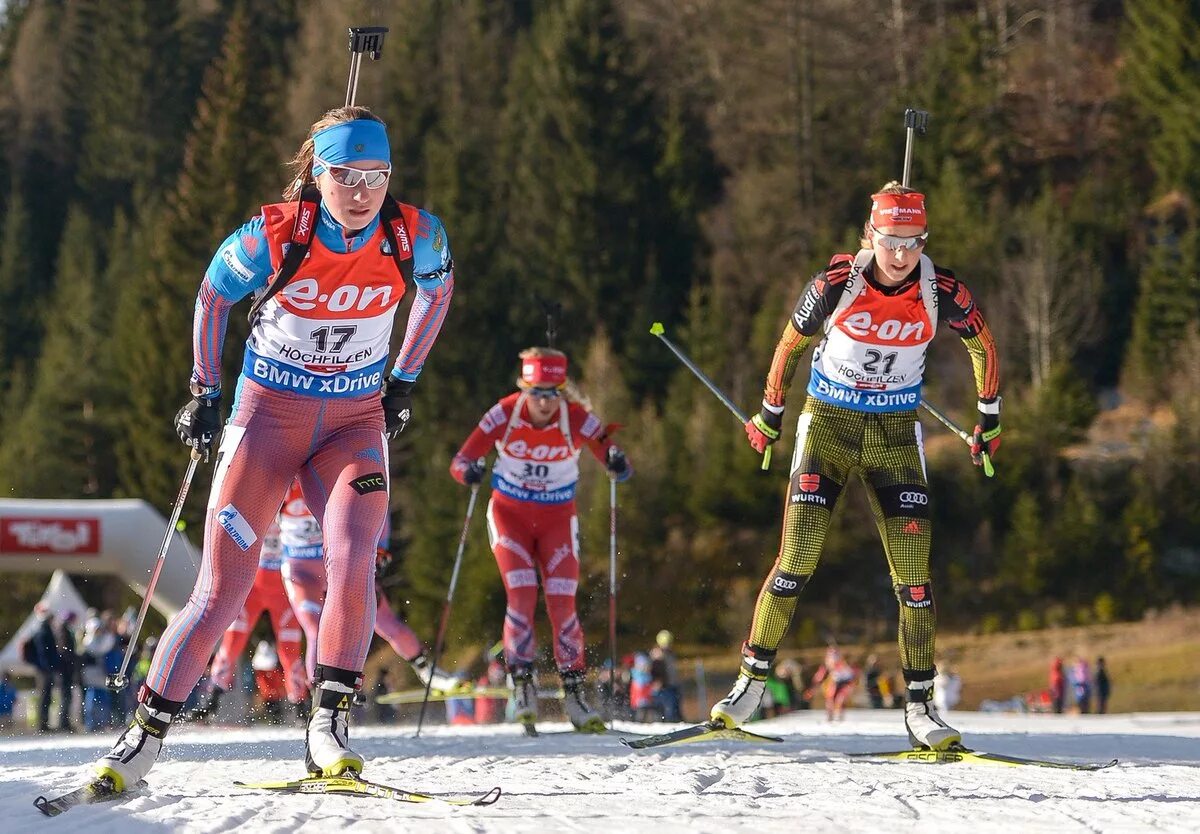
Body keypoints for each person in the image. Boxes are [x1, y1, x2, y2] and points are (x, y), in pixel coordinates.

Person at [94, 105, 454, 793]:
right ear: (318, 174)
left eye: (377, 175)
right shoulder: (278, 232)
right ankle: (141, 740)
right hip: (266, 421)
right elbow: (211, 295)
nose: (362, 190)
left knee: (352, 561)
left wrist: (404, 380)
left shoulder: (416, 235)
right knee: (222, 590)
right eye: (346, 174)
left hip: (352, 425)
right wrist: (204, 391)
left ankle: (328, 724)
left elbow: (438, 296)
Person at [710, 184, 1001, 752]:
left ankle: (920, 707)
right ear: (871, 236)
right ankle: (750, 683)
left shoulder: (941, 289)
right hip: (829, 425)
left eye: (913, 241)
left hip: (895, 433)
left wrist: (988, 418)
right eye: (891, 240)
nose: (901, 254)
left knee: (914, 581)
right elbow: (789, 345)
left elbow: (983, 345)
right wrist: (770, 414)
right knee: (796, 560)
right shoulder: (836, 284)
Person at [450, 347, 631, 733]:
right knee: (522, 594)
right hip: (509, 516)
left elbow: (612, 455)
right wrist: (469, 473)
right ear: (524, 388)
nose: (545, 402)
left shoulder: (576, 417)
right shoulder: (505, 412)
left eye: (553, 393)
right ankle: (523, 685)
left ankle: (575, 696)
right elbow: (460, 460)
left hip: (557, 520)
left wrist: (617, 462)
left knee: (563, 604)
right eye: (537, 393)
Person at [277, 478, 458, 693]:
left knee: (384, 621)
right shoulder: (283, 481)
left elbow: (376, 501)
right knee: (315, 629)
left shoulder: (330, 472)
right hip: (302, 573)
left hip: (341, 565)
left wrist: (380, 549)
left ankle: (426, 669)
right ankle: (320, 696)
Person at [189, 520, 306, 722]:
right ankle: (211, 699)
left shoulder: (292, 504)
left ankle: (300, 705)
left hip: (284, 590)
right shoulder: (258, 503)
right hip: (252, 589)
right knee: (232, 643)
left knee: (290, 651)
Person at [805, 647, 857, 721]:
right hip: (835, 682)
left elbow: (852, 675)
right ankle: (830, 715)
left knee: (840, 699)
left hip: (845, 682)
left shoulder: (844, 663)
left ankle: (839, 714)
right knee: (830, 698)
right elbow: (820, 676)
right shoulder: (828, 664)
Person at [30, 605, 60, 732]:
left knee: (46, 696)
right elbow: (43, 652)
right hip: (44, 670)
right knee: (44, 696)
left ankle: (44, 722)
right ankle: (42, 724)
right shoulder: (43, 630)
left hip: (44, 668)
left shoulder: (42, 629)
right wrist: (48, 667)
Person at [650, 630, 683, 722]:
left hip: (672, 685)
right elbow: (654, 671)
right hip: (664, 687)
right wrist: (657, 681)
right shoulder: (657, 655)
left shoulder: (671, 654)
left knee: (675, 709)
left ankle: (676, 722)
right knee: (667, 711)